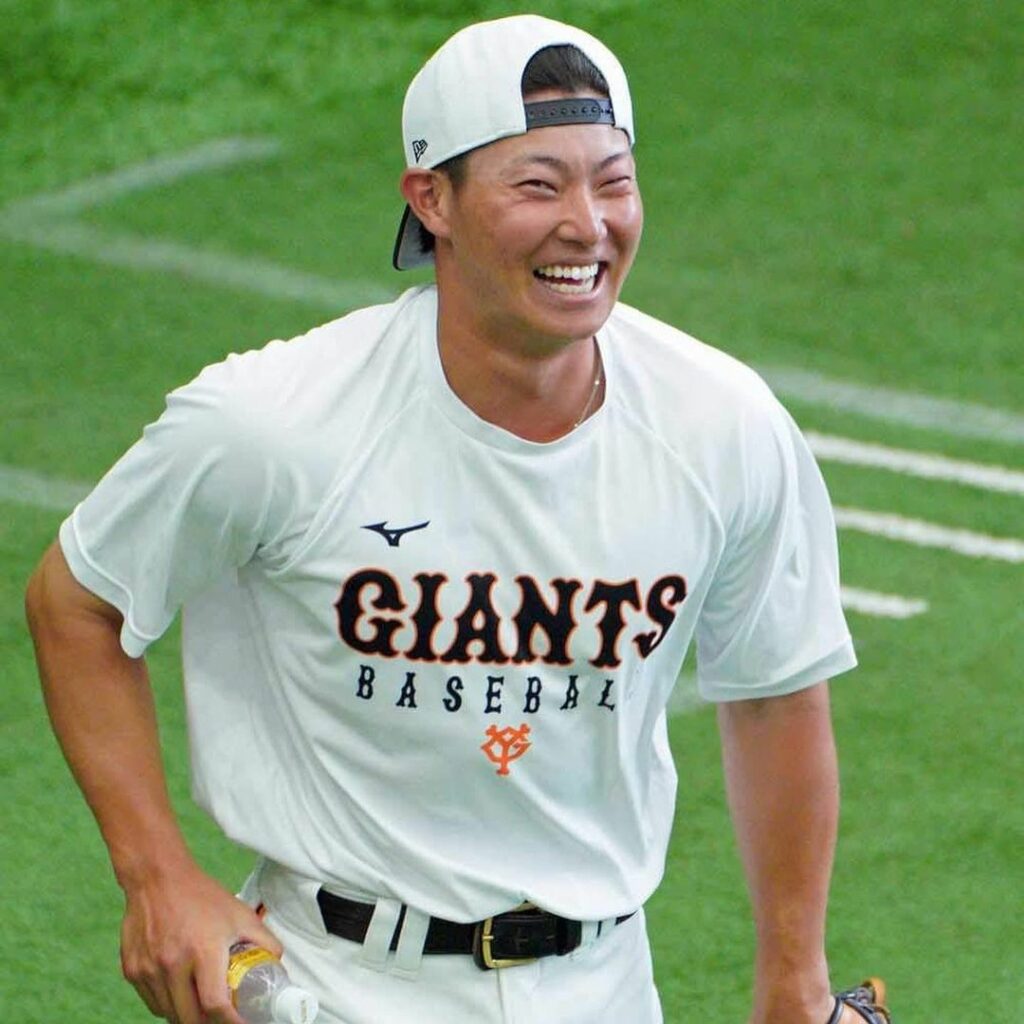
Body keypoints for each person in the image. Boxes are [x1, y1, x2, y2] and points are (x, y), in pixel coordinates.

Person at [25, 14, 872, 1024]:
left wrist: (794, 983)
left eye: (613, 181)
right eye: (538, 185)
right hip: (334, 982)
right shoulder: (273, 423)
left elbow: (776, 694)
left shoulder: (724, 427)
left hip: (604, 988)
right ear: (432, 200)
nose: (588, 224)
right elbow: (75, 602)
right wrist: (156, 876)